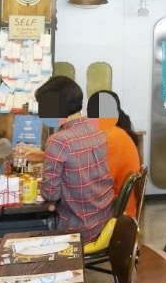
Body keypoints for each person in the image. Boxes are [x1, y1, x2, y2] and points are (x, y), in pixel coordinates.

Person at [36, 76, 113, 242]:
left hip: (77, 229)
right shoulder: (98, 128)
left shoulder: (59, 140)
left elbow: (50, 193)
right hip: (105, 222)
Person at [87, 90, 141, 214]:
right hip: (114, 206)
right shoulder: (114, 133)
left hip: (116, 213)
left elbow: (101, 183)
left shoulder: (112, 138)